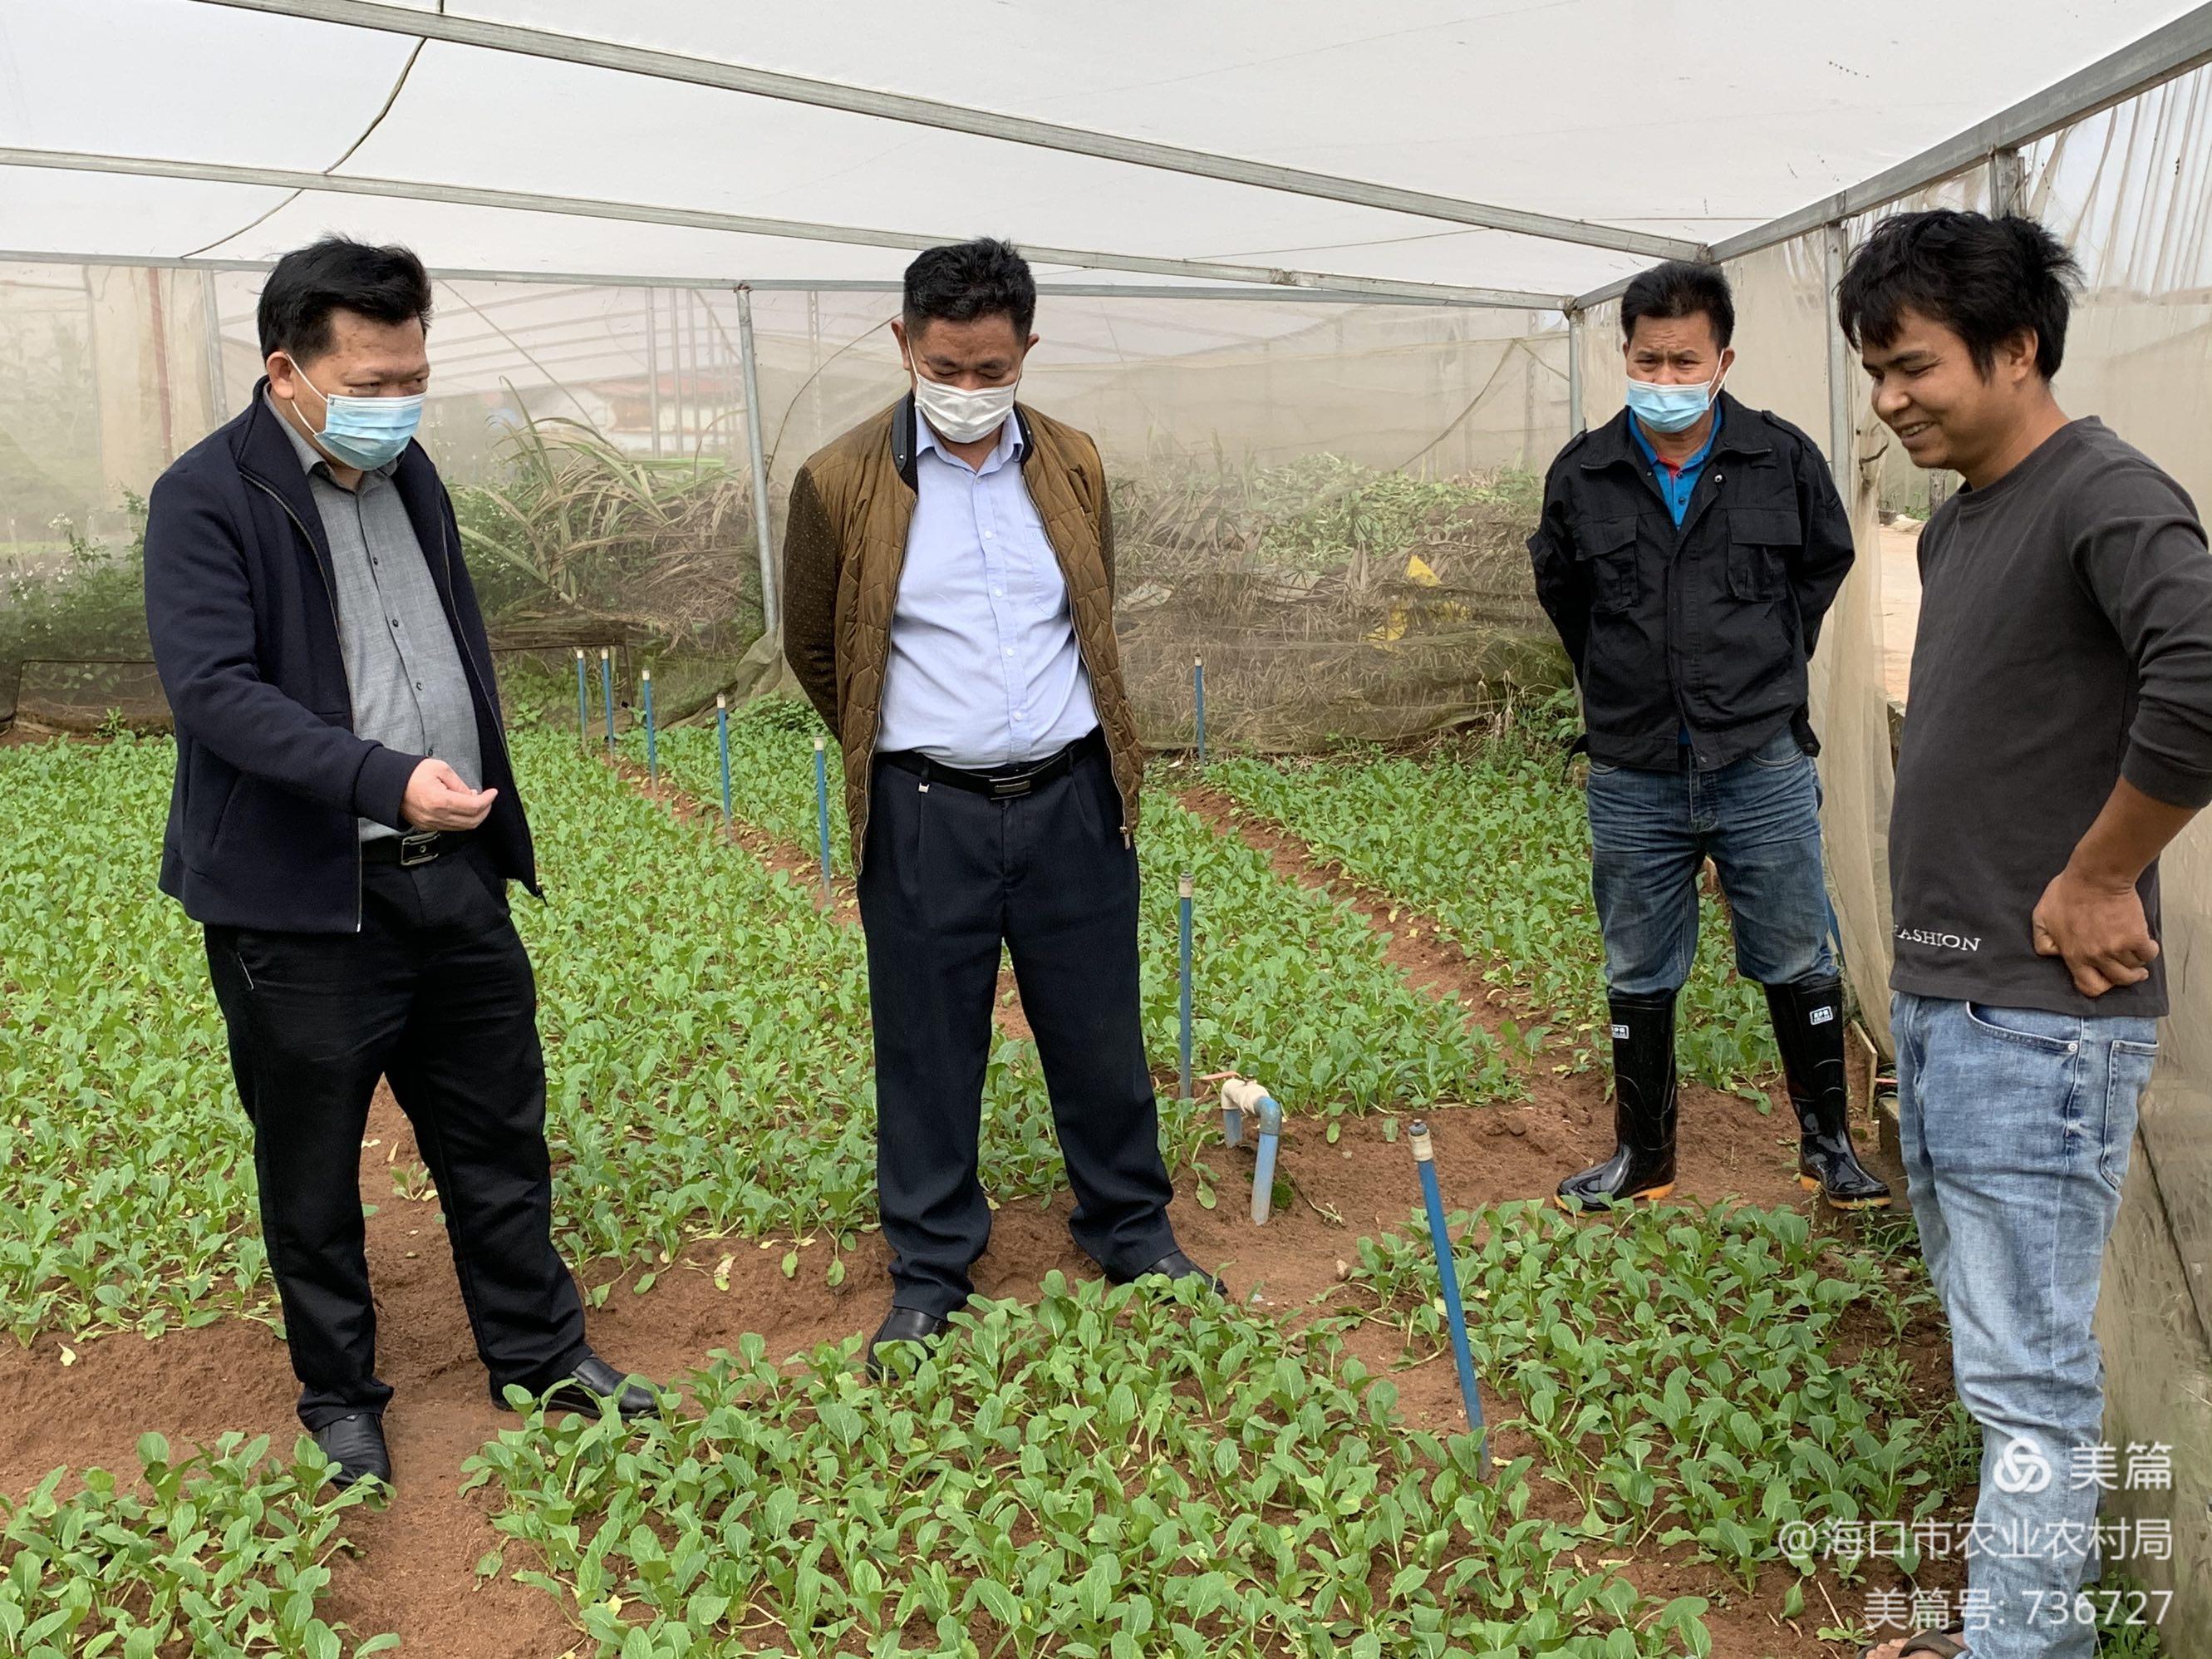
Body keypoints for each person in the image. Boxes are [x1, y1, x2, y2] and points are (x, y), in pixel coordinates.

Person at [143, 237, 652, 1490]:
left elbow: (444, 646)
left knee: (497, 1135)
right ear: (288, 372)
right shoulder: (205, 497)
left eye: (412, 373)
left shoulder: (411, 473)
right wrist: (381, 776)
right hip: (304, 904)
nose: (398, 403)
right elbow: (215, 695)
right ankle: (340, 1396)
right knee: (311, 1163)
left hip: (451, 870)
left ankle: (536, 1352)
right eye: (370, 382)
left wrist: (459, 801)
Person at [1841, 210, 2212, 1659]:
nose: (1888, 398)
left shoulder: (2104, 494)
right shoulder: (1972, 514)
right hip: (1957, 1001)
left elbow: (2202, 670)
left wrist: (2102, 872)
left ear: (2014, 347)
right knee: (2008, 1372)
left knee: (2032, 1388)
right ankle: (2014, 1628)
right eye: (1871, 370)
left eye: (1911, 365)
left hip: (2036, 1020)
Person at [782, 238, 1218, 1372]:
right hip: (928, 807)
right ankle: (930, 1269)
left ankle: (1129, 1228)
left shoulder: (1070, 463)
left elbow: (1092, 608)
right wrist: (918, 749)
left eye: (989, 369)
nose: (967, 392)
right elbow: (819, 650)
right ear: (902, 346)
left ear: (1026, 350)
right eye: (944, 367)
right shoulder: (838, 482)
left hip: (1073, 796)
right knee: (926, 1045)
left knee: (1099, 1029)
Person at [1528, 260, 1890, 1212]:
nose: (1664, 376)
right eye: (1647, 357)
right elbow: (1566, 599)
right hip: (1633, 767)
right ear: (1624, 356)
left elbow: (1822, 568)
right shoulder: (1584, 473)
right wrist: (1633, 683)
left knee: (1794, 950)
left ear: (1722, 358)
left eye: (1684, 359)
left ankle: (1829, 1147)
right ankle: (1643, 1156)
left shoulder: (1783, 459)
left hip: (1758, 760)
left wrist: (1754, 668)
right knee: (1638, 964)